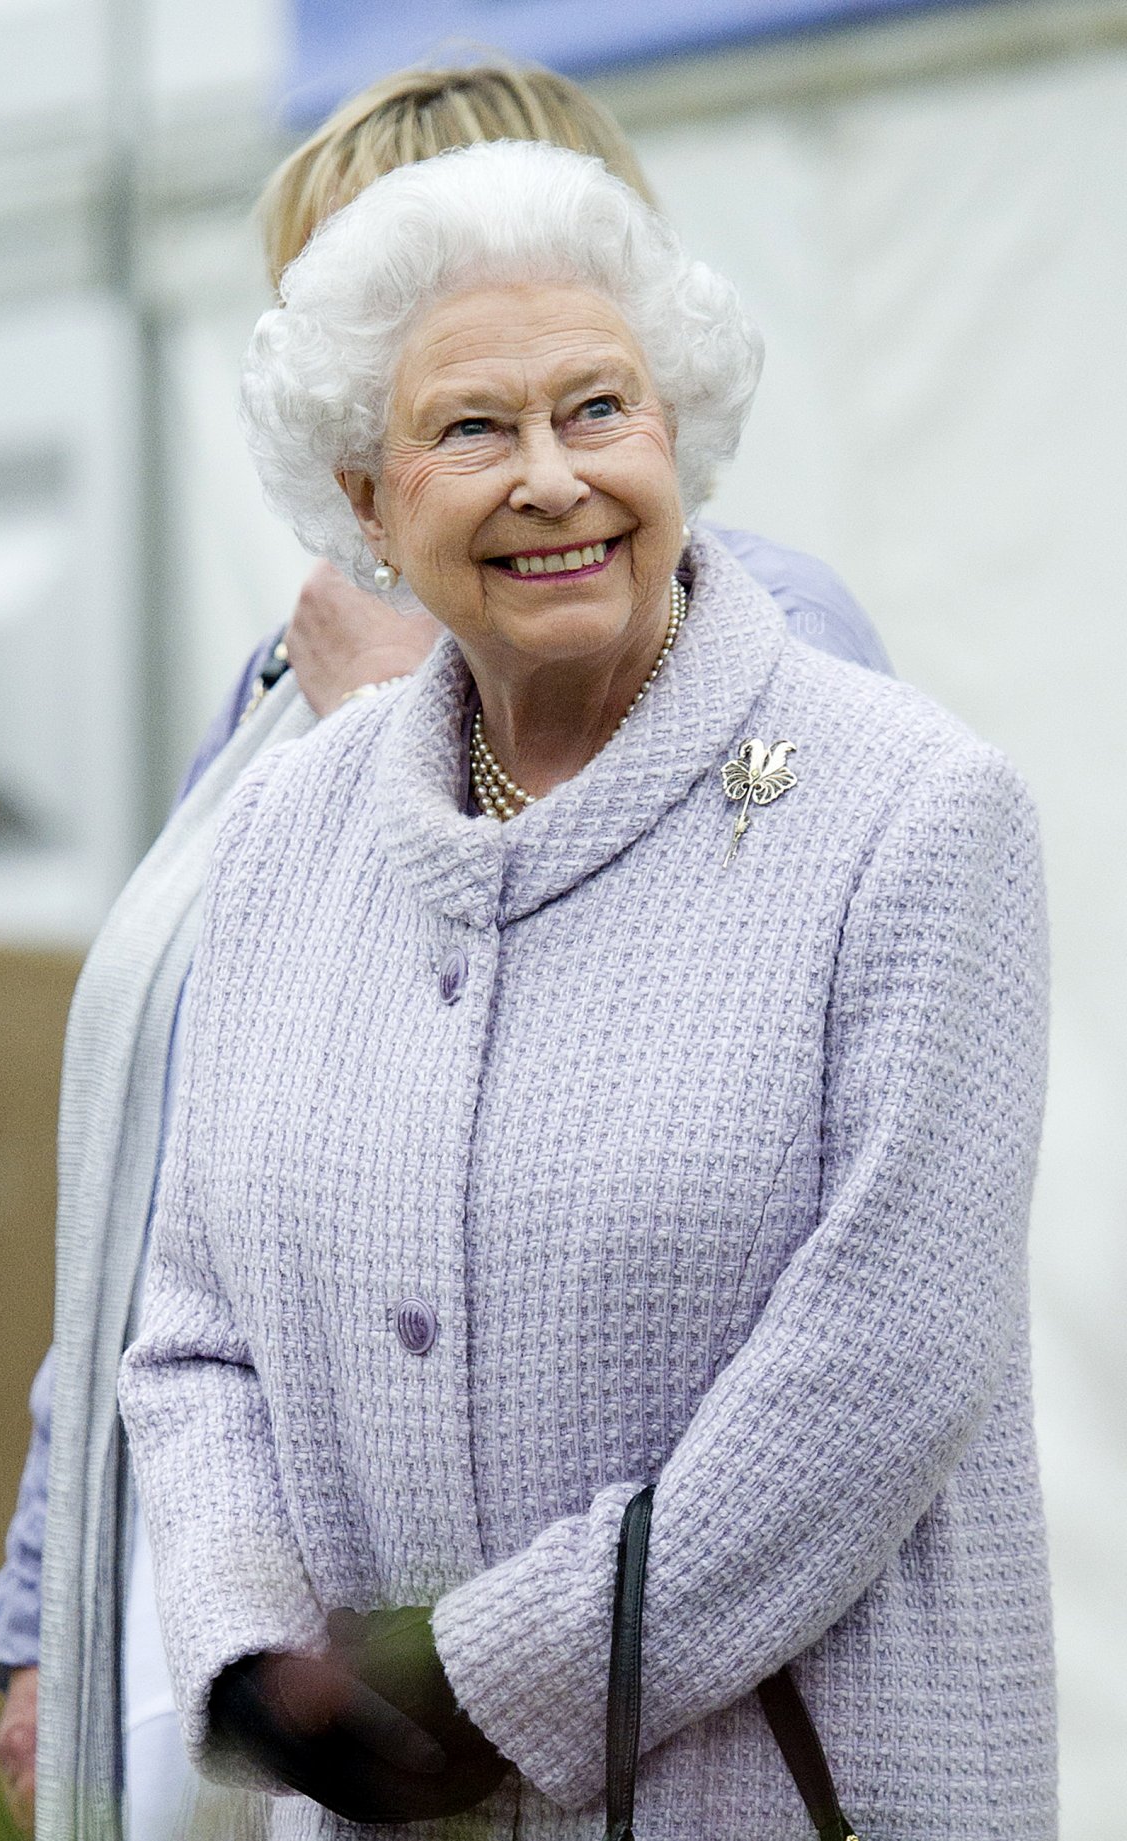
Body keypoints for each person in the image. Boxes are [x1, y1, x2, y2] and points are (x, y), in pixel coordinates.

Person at [0, 64, 891, 1841]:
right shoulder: (266, 686)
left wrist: (415, 727)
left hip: (596, 1644)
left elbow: (737, 1128)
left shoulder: (774, 649)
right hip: (257, 1614)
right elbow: (161, 1188)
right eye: (329, 327)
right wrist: (48, 1598)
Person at [118, 139, 1054, 1841]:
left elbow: (885, 1364)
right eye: (474, 428)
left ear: (676, 431)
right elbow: (192, 1336)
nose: (552, 479)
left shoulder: (910, 810)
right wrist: (255, 1655)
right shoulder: (281, 841)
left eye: (599, 409)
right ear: (366, 501)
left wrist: (480, 1676)